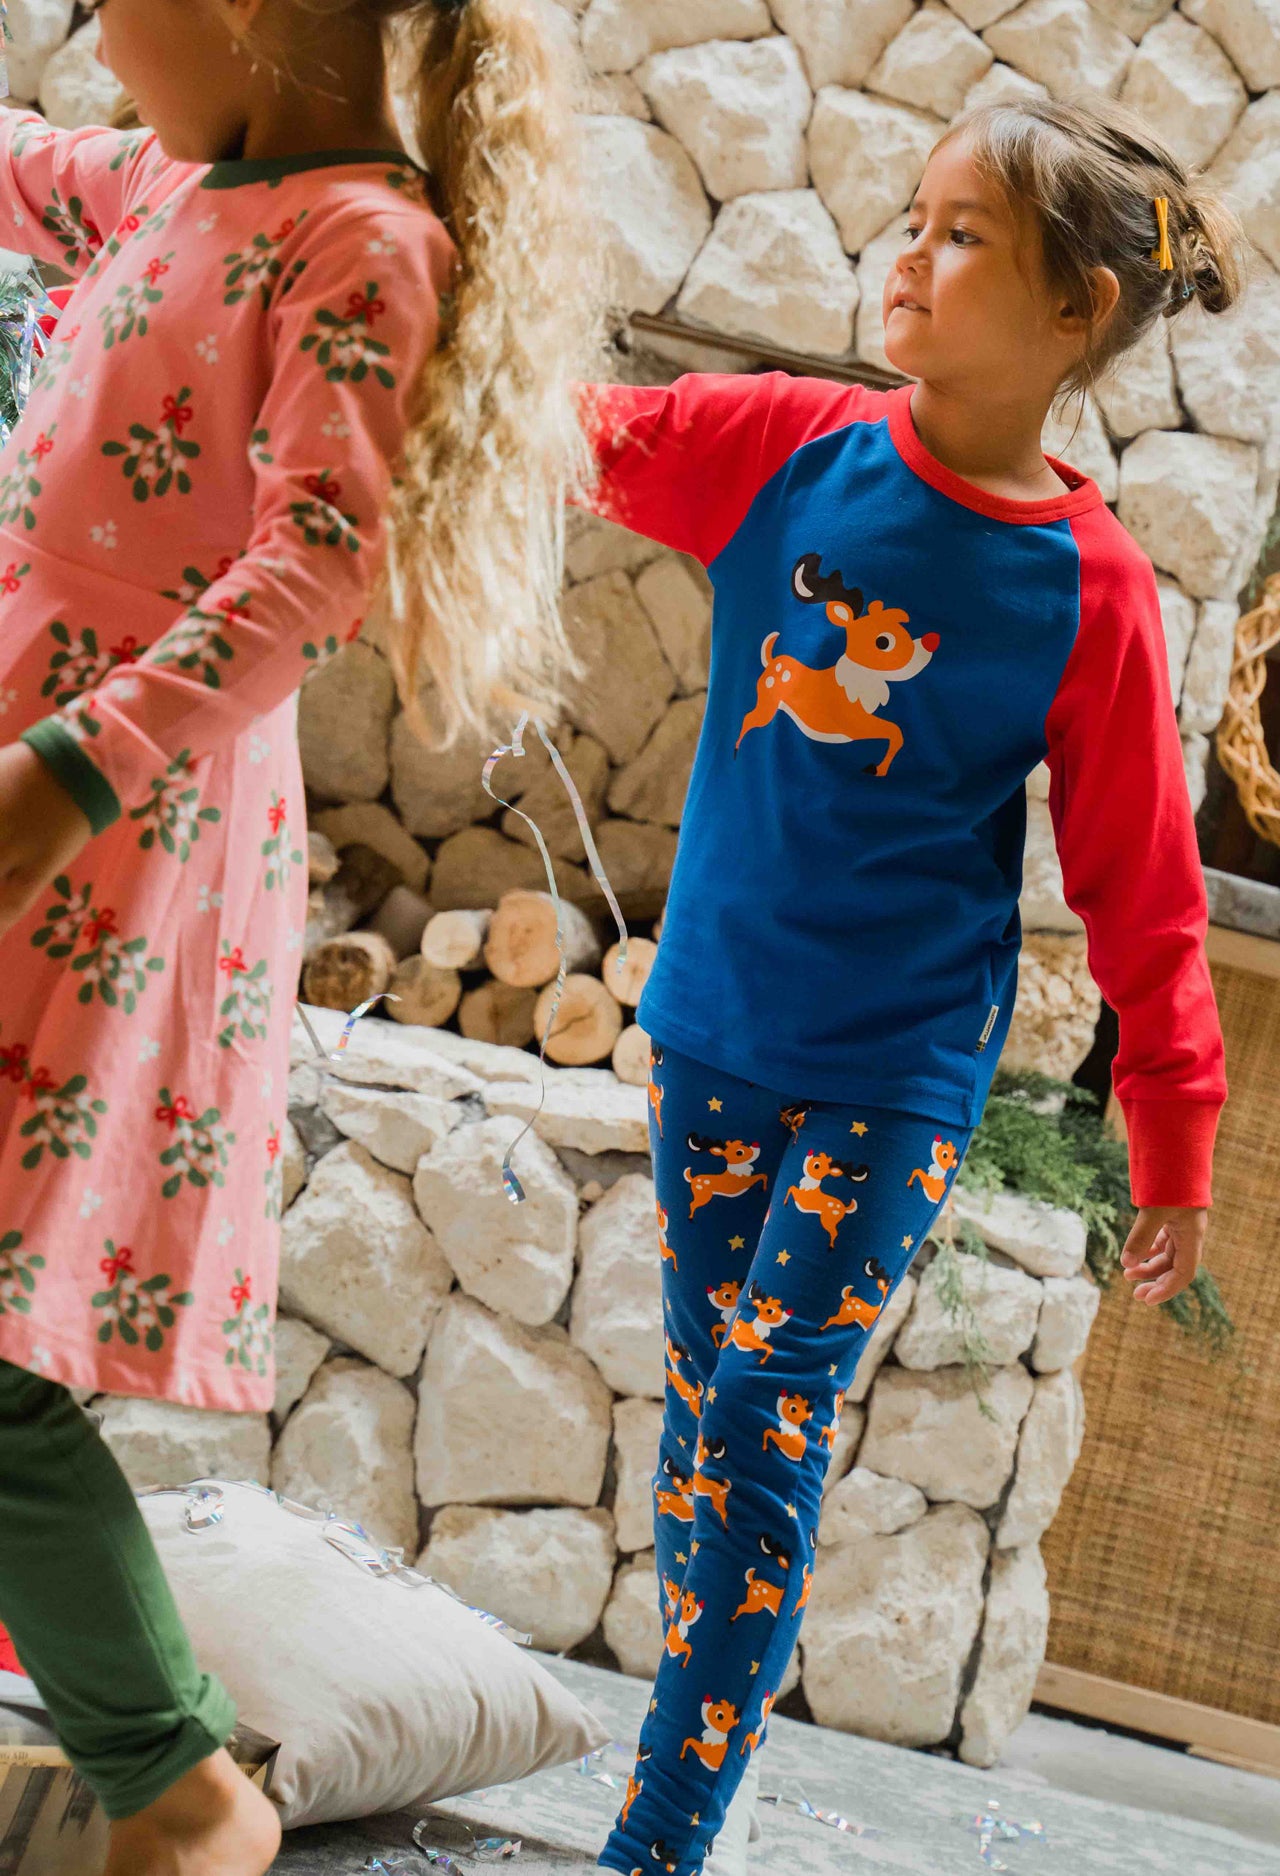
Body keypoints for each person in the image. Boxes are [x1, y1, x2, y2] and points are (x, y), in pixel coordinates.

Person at [578, 96, 1242, 1876]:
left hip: (893, 1073)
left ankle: (660, 1833)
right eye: (914, 218)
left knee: (769, 1402)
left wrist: (1171, 1125)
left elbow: (1137, 887)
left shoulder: (1084, 586)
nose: (909, 257)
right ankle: (669, 1787)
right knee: (712, 1408)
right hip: (714, 1030)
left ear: (1073, 314)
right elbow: (559, 437)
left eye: (962, 237)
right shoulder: (788, 449)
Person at [0, 2, 593, 1871]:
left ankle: (178, 1788)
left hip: (103, 830)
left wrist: (62, 778)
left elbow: (314, 563)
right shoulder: (161, 176)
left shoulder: (360, 236)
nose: (92, 35)